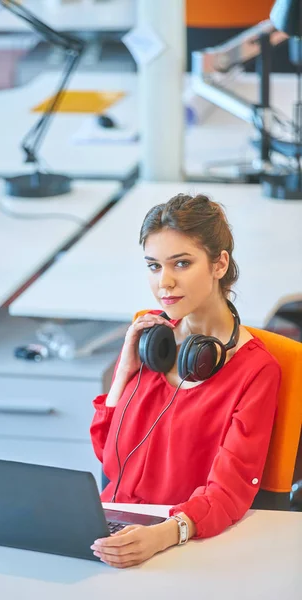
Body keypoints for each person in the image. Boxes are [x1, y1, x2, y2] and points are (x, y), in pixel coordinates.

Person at [89, 193, 281, 568]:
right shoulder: (152, 342)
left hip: (183, 542)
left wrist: (163, 533)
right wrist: (123, 375)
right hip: (112, 528)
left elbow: (228, 492)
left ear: (219, 264)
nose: (165, 283)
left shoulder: (256, 370)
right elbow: (109, 460)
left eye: (182, 263)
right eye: (153, 266)